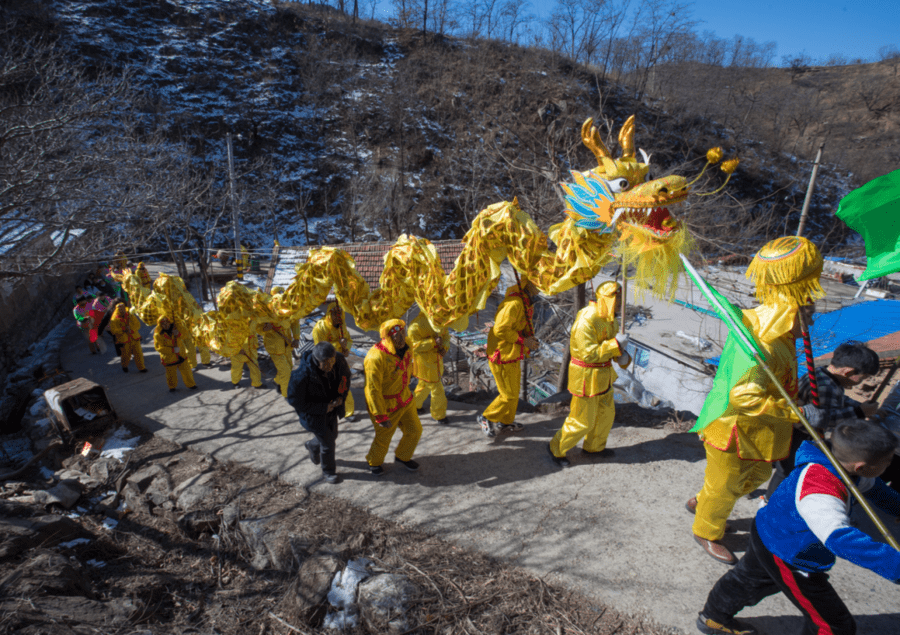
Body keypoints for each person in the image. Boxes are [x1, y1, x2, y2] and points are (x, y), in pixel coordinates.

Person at [688, 236, 826, 565]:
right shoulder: (761, 343)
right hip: (733, 429)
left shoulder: (782, 336)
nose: (813, 317)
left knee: (754, 479)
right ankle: (706, 529)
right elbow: (744, 395)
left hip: (760, 431)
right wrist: (795, 412)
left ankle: (703, 498)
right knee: (724, 487)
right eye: (808, 310)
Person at [695, 420, 900, 635]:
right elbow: (841, 539)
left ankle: (713, 618)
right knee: (832, 626)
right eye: (887, 462)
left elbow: (877, 491)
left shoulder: (843, 466)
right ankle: (714, 617)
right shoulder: (820, 490)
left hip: (770, 529)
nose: (889, 465)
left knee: (749, 579)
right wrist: (895, 565)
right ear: (862, 466)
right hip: (790, 554)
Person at [765, 341, 881, 499]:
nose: (861, 382)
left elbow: (840, 400)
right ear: (848, 372)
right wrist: (859, 412)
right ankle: (771, 502)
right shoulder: (826, 387)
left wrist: (860, 406)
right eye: (863, 377)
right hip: (799, 435)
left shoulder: (822, 373)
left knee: (786, 470)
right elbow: (825, 418)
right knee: (786, 471)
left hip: (793, 431)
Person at [547, 281, 631, 467]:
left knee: (605, 415)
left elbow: (610, 348)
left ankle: (594, 447)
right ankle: (556, 447)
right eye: (618, 300)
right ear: (607, 298)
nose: (620, 304)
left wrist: (621, 355)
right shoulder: (587, 318)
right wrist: (615, 345)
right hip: (586, 376)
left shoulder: (611, 319)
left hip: (604, 375)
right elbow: (587, 353)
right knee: (582, 420)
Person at [478, 278, 540, 437]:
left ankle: (505, 421)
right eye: (538, 283)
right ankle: (486, 417)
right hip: (501, 355)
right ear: (529, 284)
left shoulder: (526, 303)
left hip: (512, 354)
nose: (541, 288)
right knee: (508, 395)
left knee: (514, 392)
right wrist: (524, 340)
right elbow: (500, 330)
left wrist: (529, 340)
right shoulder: (515, 303)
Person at [286, 342, 351, 484]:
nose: (330, 366)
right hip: (314, 414)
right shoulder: (300, 376)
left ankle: (313, 445)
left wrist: (341, 396)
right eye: (325, 363)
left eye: (332, 361)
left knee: (331, 436)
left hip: (332, 407)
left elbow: (345, 378)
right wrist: (322, 408)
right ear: (316, 361)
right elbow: (294, 400)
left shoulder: (338, 360)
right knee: (328, 443)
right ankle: (328, 471)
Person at [364, 319, 422, 476]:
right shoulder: (375, 357)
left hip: (404, 397)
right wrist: (380, 415)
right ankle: (374, 461)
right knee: (384, 437)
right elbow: (372, 389)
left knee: (415, 430)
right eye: (396, 335)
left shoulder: (408, 345)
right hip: (385, 403)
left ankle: (403, 456)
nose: (401, 338)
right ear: (388, 337)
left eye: (403, 332)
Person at [313, 302, 355, 420]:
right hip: (325, 363)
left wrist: (346, 348)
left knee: (343, 384)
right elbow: (321, 349)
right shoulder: (320, 328)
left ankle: (348, 411)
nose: (338, 317)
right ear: (329, 314)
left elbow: (348, 340)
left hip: (339, 361)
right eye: (335, 314)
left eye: (340, 314)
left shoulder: (342, 326)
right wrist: (338, 345)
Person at [409, 311, 450, 425]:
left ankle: (414, 407)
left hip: (436, 362)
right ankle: (439, 415)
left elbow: (446, 336)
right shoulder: (415, 325)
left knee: (423, 386)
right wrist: (432, 342)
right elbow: (413, 345)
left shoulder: (440, 322)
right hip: (425, 365)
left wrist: (444, 348)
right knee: (438, 390)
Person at [153, 315, 197, 392]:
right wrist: (172, 350)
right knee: (171, 375)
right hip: (169, 358)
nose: (166, 324)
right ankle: (172, 386)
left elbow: (186, 335)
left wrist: (178, 334)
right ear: (160, 325)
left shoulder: (176, 328)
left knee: (187, 372)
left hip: (181, 355)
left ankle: (191, 384)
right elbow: (159, 348)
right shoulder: (158, 335)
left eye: (167, 322)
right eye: (163, 323)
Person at [260, 315, 294, 397]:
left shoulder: (288, 308)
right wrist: (264, 329)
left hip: (287, 344)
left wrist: (297, 338)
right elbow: (257, 327)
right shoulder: (264, 311)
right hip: (274, 347)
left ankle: (277, 381)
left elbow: (295, 322)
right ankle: (286, 394)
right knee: (286, 371)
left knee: (289, 366)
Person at [108, 302, 147, 373]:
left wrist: (131, 329)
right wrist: (123, 329)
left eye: (123, 308)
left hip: (134, 337)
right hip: (124, 340)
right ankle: (124, 366)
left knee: (139, 353)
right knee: (126, 355)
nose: (122, 310)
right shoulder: (114, 319)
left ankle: (142, 368)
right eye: (120, 309)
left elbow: (137, 324)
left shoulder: (130, 315)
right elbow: (113, 330)